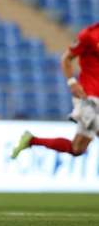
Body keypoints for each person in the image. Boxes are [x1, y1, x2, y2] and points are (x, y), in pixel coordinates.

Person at [11, 23, 99, 159]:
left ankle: (31, 140)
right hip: (89, 98)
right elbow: (66, 58)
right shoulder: (89, 34)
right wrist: (72, 82)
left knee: (77, 148)